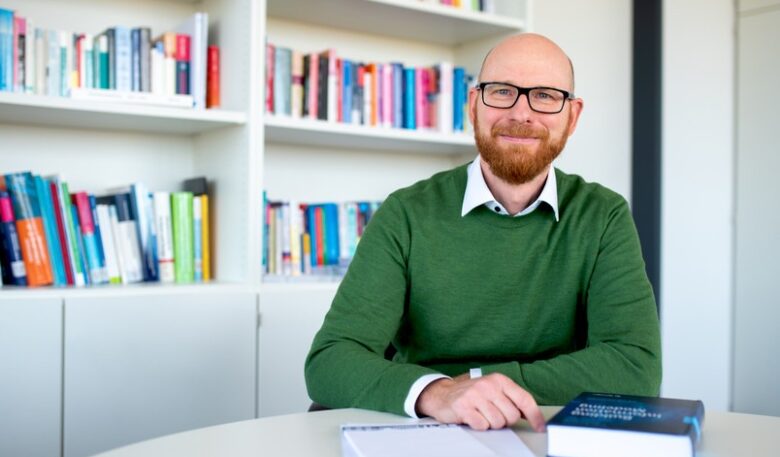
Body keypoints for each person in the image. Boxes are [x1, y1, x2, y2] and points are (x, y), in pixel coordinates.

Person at [304, 33, 661, 432]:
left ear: (572, 116)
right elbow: (330, 360)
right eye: (502, 91)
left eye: (545, 95)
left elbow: (635, 366)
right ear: (473, 105)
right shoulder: (405, 213)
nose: (521, 114)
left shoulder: (604, 215)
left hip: (542, 431)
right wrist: (437, 393)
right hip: (427, 432)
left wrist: (477, 385)